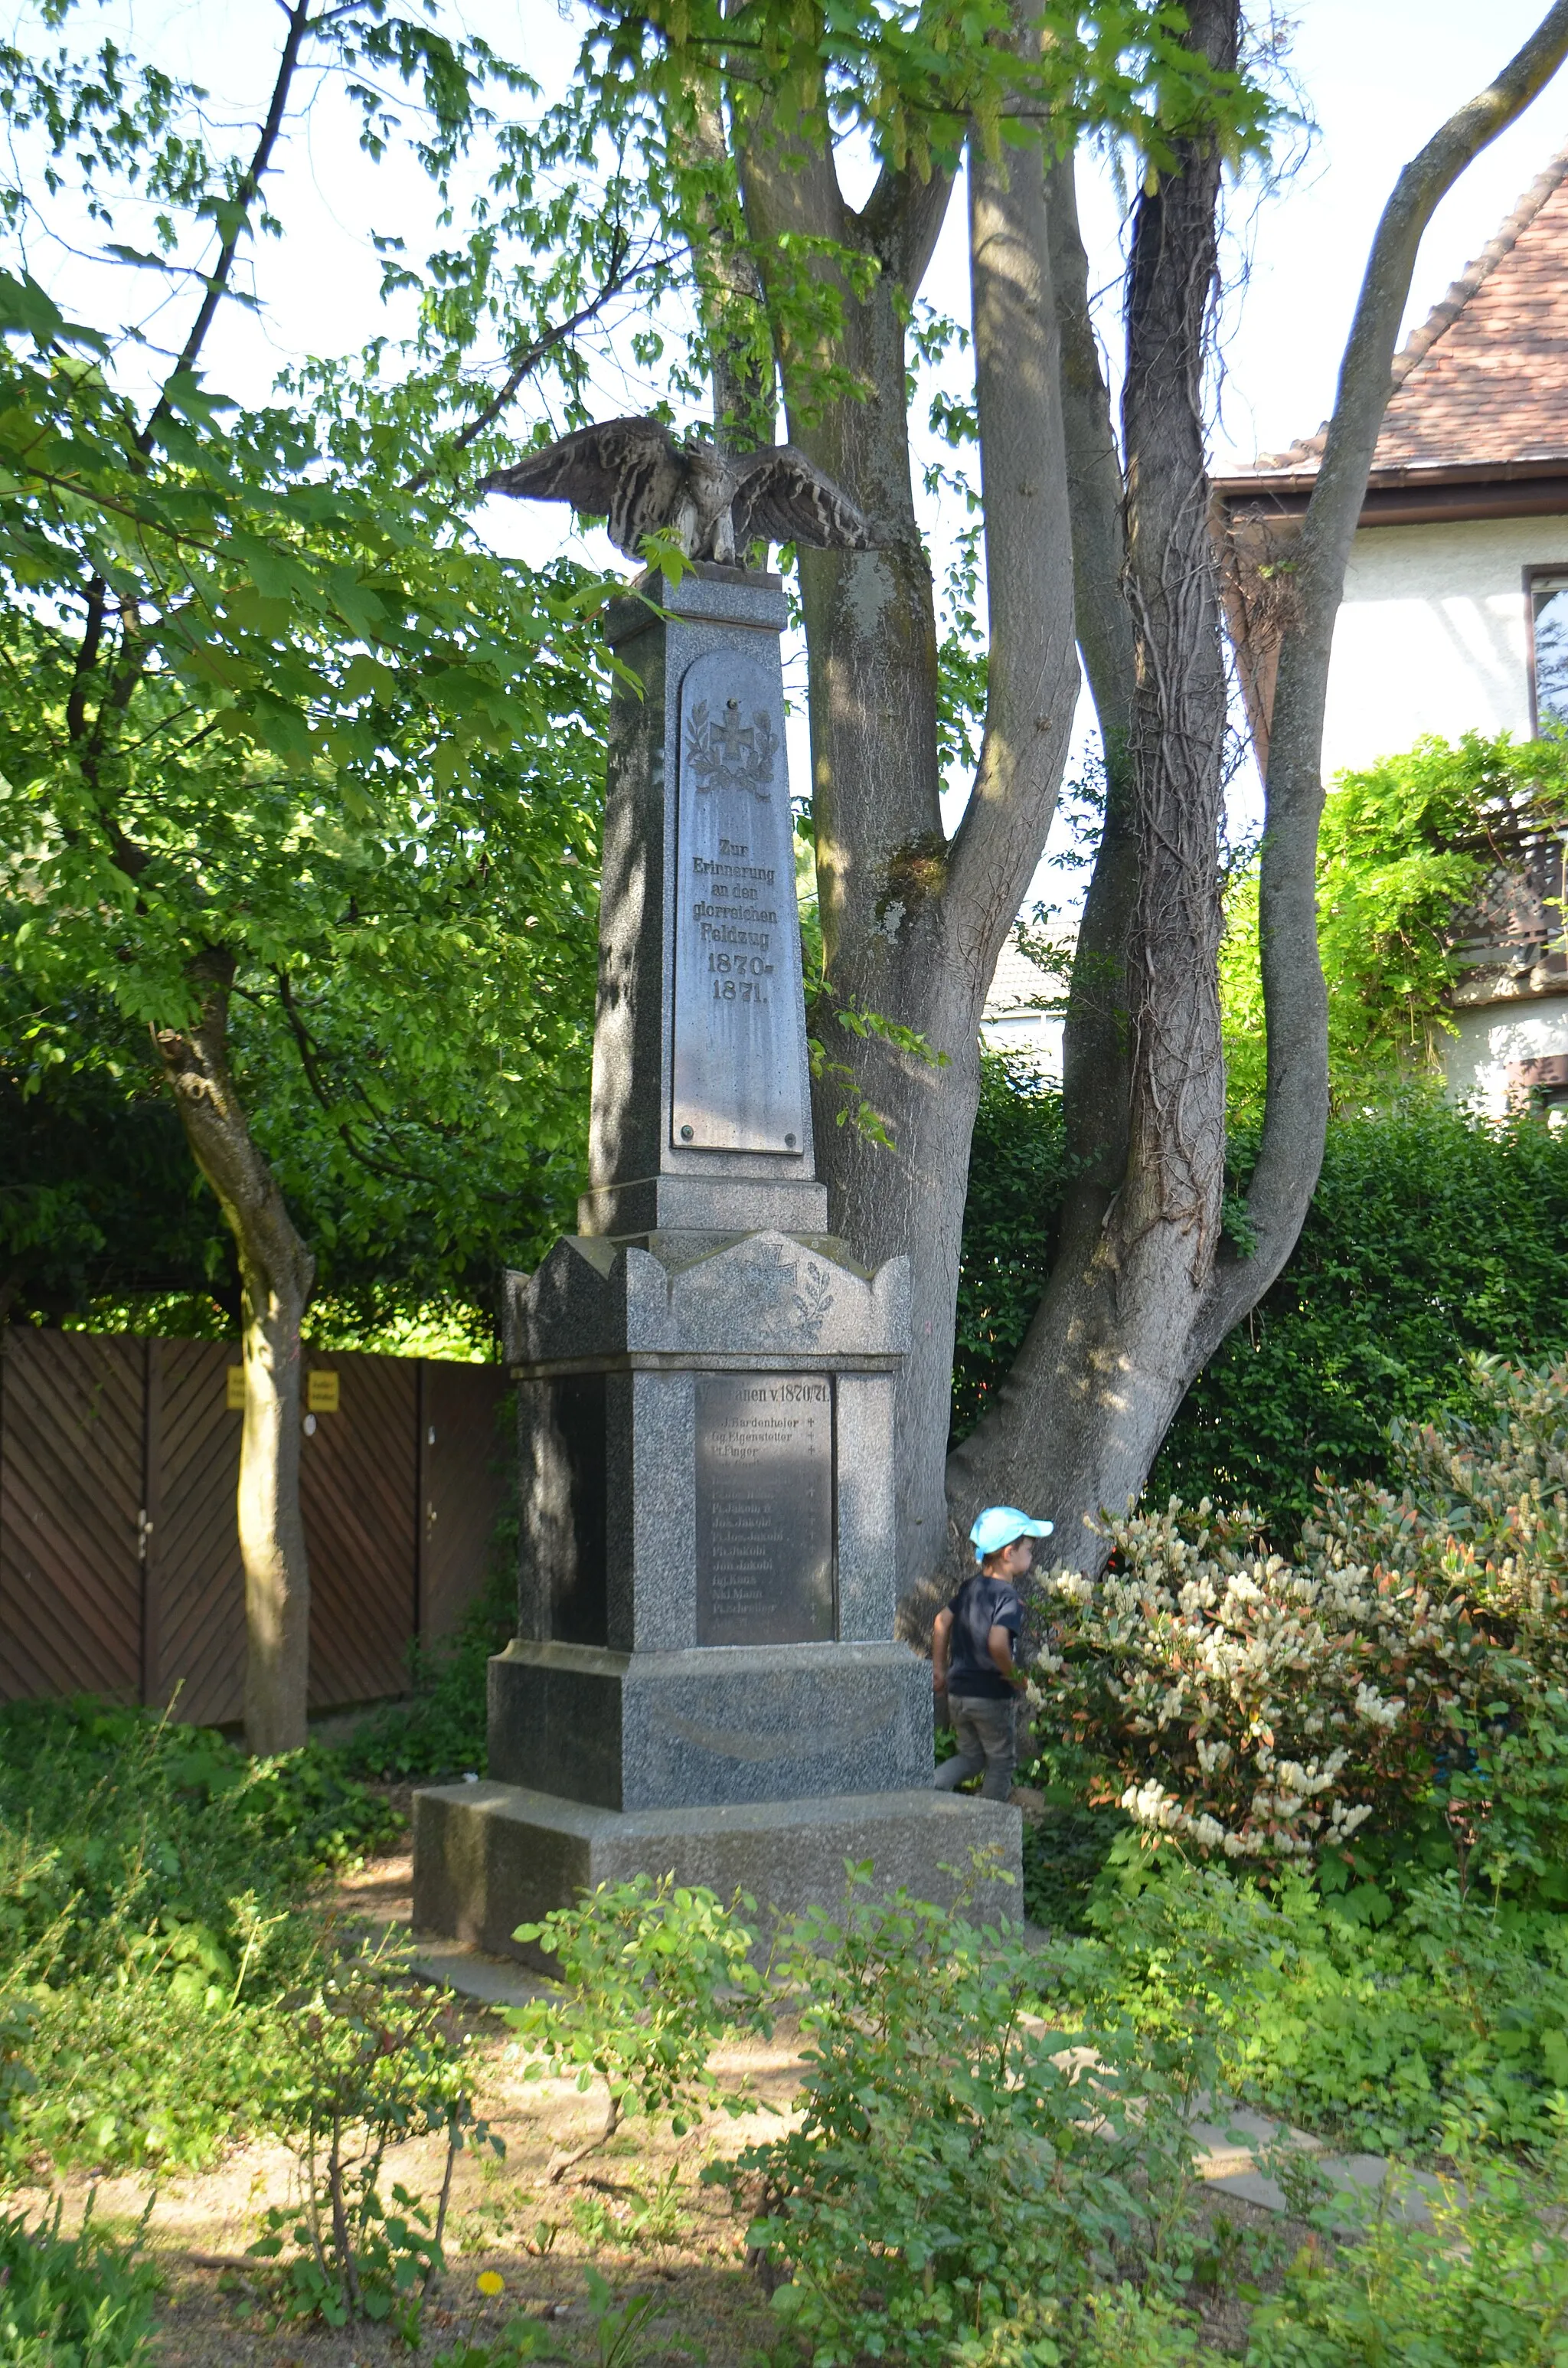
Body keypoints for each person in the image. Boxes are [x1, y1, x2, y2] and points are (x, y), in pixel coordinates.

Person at [932, 1504, 1053, 1802]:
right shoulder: (1008, 1598)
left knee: (971, 1758)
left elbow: (941, 1621)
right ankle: (989, 1831)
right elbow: (998, 1643)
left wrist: (939, 1669)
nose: (1032, 1554)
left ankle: (927, 1790)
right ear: (1009, 1554)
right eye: (1028, 1548)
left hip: (958, 1692)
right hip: (989, 1695)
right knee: (1001, 1762)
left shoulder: (971, 1587)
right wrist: (1015, 1677)